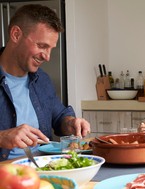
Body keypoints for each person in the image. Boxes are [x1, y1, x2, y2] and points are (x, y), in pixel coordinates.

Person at [0, 4, 90, 161]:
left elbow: (59, 116)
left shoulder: (42, 80)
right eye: (42, 46)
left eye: (50, 49)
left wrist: (70, 123)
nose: (47, 57)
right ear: (16, 34)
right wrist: (2, 137)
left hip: (44, 166)